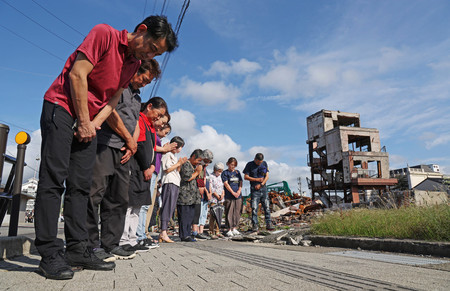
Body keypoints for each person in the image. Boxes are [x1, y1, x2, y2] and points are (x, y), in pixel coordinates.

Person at [34, 15, 178, 280]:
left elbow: (112, 99)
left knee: (80, 185)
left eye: (156, 53)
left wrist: (93, 124)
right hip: (62, 107)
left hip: (89, 120)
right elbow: (78, 74)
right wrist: (84, 120)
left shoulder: (133, 63)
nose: (149, 54)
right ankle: (49, 253)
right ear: (142, 30)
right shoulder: (105, 34)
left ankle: (78, 249)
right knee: (53, 179)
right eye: (152, 47)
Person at [86, 60, 160, 262]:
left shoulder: (137, 96)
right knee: (96, 193)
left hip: (125, 150)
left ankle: (111, 244)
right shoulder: (119, 84)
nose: (145, 84)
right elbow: (110, 112)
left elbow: (135, 123)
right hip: (106, 143)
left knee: (118, 198)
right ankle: (89, 244)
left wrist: (131, 144)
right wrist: (128, 139)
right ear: (136, 70)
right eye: (144, 79)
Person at [119, 97, 168, 252]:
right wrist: (147, 166)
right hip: (137, 168)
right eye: (158, 115)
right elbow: (139, 146)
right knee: (129, 206)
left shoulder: (150, 127)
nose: (158, 119)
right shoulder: (140, 119)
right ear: (149, 106)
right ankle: (123, 239)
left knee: (137, 207)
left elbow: (151, 150)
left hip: (146, 170)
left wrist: (152, 165)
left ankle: (132, 239)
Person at [159, 136, 187, 243]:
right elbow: (167, 169)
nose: (180, 150)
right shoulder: (167, 154)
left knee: (170, 208)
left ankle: (163, 232)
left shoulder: (174, 157)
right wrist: (179, 163)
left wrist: (179, 164)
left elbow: (175, 170)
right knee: (167, 207)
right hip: (169, 182)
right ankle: (163, 231)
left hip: (175, 182)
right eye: (180, 147)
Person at [243, 153, 274, 232]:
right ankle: (255, 225)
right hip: (254, 189)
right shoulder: (249, 165)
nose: (259, 163)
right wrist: (256, 180)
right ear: (255, 159)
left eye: (261, 162)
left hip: (263, 188)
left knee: (266, 206)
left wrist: (261, 184)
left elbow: (267, 176)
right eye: (258, 162)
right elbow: (246, 177)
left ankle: (269, 224)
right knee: (254, 208)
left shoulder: (264, 163)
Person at [177, 149, 203, 242]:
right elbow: (187, 178)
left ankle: (188, 234)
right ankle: (184, 235)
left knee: (190, 217)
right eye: (198, 160)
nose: (199, 163)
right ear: (193, 157)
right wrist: (197, 172)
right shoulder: (186, 164)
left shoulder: (193, 166)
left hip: (192, 197)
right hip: (185, 196)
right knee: (184, 216)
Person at [192, 149, 213, 240]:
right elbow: (200, 179)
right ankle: (195, 231)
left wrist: (209, 192)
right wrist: (203, 189)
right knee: (198, 213)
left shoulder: (205, 168)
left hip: (205, 195)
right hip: (198, 193)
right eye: (206, 161)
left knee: (203, 213)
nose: (207, 164)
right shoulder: (199, 165)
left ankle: (200, 231)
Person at [221, 157, 243, 237]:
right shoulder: (225, 173)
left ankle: (234, 227)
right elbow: (226, 184)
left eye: (234, 165)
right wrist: (233, 192)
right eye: (231, 164)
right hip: (229, 195)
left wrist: (239, 191)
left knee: (237, 212)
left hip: (238, 195)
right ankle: (229, 228)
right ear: (228, 164)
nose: (232, 166)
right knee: (229, 211)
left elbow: (240, 182)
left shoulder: (237, 172)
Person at [207, 162, 225, 239]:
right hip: (214, 198)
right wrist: (217, 195)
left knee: (219, 215)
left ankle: (218, 230)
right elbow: (211, 187)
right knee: (213, 215)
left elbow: (222, 187)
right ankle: (211, 231)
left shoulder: (221, 177)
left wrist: (222, 194)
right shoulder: (211, 176)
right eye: (219, 171)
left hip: (221, 198)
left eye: (221, 171)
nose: (219, 172)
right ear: (215, 170)